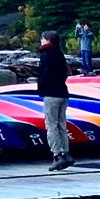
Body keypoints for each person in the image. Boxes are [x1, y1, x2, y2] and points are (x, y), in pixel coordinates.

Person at [37, 31, 72, 171]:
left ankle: (57, 156)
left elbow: (44, 74)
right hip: (63, 92)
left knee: (51, 125)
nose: (41, 41)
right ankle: (66, 153)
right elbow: (65, 72)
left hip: (51, 94)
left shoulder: (46, 55)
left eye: (42, 39)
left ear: (48, 40)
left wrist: (41, 88)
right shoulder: (59, 53)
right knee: (62, 124)